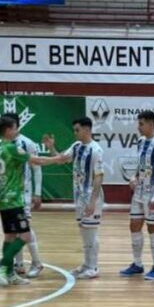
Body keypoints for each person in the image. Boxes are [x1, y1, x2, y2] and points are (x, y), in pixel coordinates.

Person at [0, 114, 59, 285]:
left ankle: (10, 273)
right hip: (15, 198)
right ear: (9, 129)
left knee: (9, 236)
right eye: (15, 127)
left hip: (3, 197)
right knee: (24, 235)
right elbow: (37, 161)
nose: (17, 131)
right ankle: (3, 265)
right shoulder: (12, 147)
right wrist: (57, 158)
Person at [43, 117, 104, 280]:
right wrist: (51, 148)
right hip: (79, 197)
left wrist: (92, 201)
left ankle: (94, 267)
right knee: (84, 232)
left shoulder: (96, 150)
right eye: (74, 130)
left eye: (77, 129)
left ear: (87, 129)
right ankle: (86, 264)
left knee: (91, 232)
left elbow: (98, 177)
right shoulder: (76, 147)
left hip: (91, 197)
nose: (75, 133)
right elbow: (60, 159)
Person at [119, 110, 154, 281]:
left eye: (141, 124)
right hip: (139, 192)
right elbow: (141, 165)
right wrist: (134, 177)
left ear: (151, 124)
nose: (138, 127)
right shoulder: (141, 142)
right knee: (134, 225)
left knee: (152, 228)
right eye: (138, 123)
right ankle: (137, 264)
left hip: (153, 193)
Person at [11, 128, 44, 279]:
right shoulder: (0, 143)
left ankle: (37, 262)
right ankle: (19, 264)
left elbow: (37, 168)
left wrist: (37, 192)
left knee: (25, 227)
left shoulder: (27, 143)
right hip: (8, 195)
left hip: (23, 193)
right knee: (14, 229)